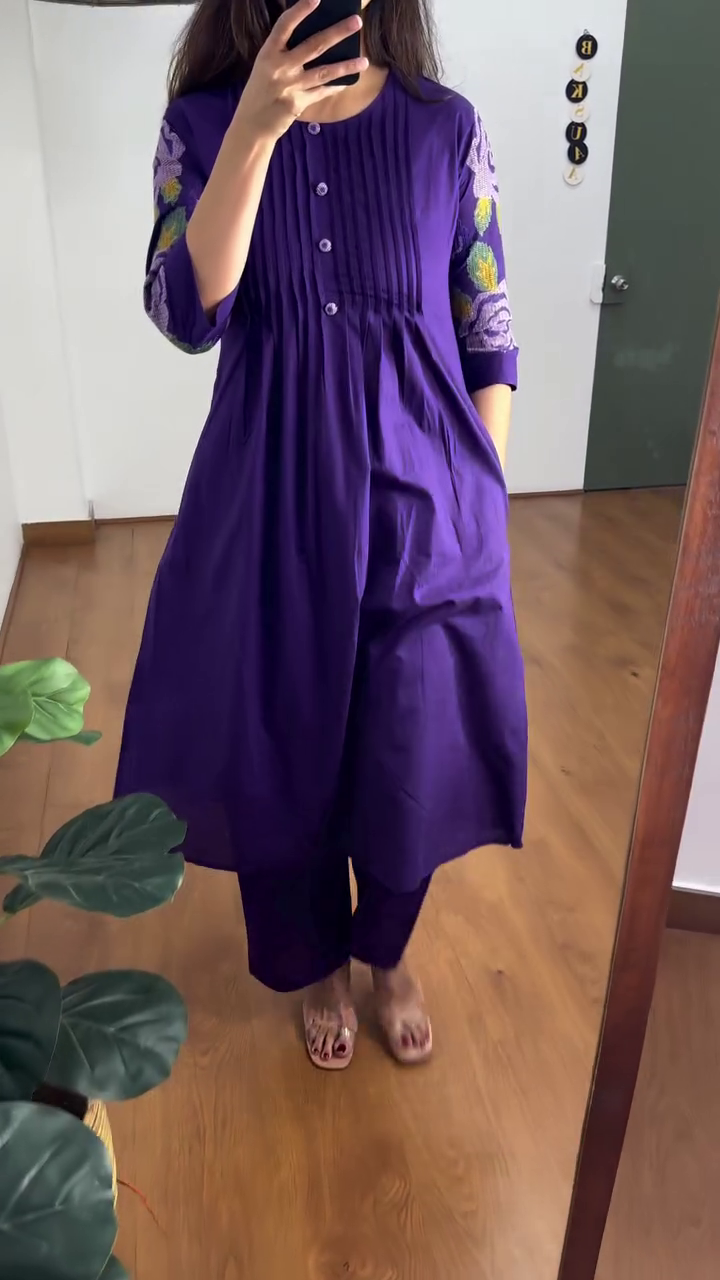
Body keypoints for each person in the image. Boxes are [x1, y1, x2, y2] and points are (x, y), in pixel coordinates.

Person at [115, 0, 528, 1070]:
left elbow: (487, 322)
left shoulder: (445, 127)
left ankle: (387, 950)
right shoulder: (204, 125)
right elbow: (185, 312)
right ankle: (316, 965)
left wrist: (481, 493)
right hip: (266, 503)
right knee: (276, 743)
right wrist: (256, 127)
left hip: (425, 509)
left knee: (410, 742)